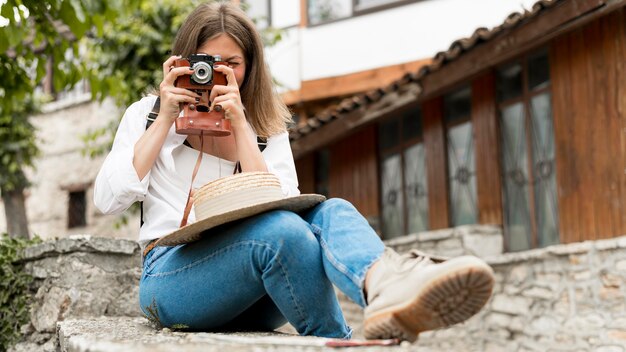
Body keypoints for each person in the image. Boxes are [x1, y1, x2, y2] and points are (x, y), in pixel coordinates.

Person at [94, 1, 494, 342]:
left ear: (250, 67)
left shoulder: (264, 128)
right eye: (206, 64)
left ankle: (387, 287)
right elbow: (107, 201)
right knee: (284, 234)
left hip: (257, 293)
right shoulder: (145, 115)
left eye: (231, 64)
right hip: (171, 279)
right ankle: (341, 342)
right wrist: (165, 119)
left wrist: (242, 130)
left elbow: (279, 206)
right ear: (183, 64)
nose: (217, 75)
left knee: (330, 210)